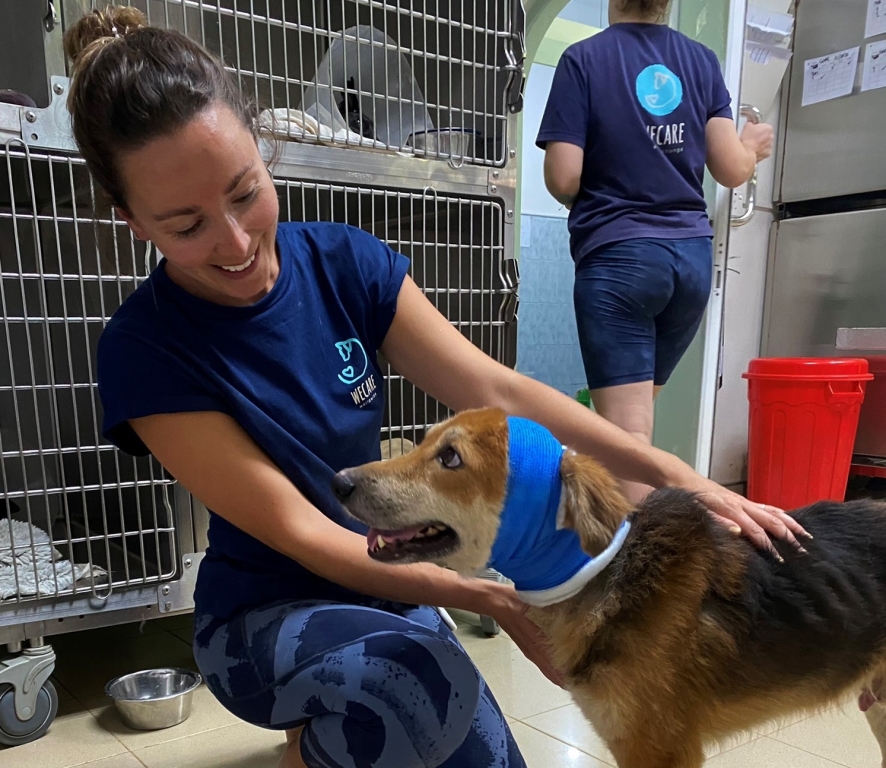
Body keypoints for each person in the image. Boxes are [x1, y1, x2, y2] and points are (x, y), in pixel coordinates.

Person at [63, 7, 802, 768]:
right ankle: (320, 723)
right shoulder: (143, 349)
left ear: (265, 147)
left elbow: (496, 389)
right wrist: (488, 595)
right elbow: (302, 529)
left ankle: (326, 734)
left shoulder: (345, 263)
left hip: (389, 577)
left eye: (246, 191)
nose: (237, 242)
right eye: (186, 227)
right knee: (413, 683)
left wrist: (679, 475)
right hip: (263, 612)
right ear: (132, 222)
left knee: (468, 731)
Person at [537, 0, 775, 503]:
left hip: (621, 258)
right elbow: (732, 169)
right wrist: (750, 145)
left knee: (628, 440)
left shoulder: (583, 59)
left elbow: (564, 177)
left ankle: (646, 567)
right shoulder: (701, 60)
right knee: (636, 417)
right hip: (688, 262)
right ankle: (628, 534)